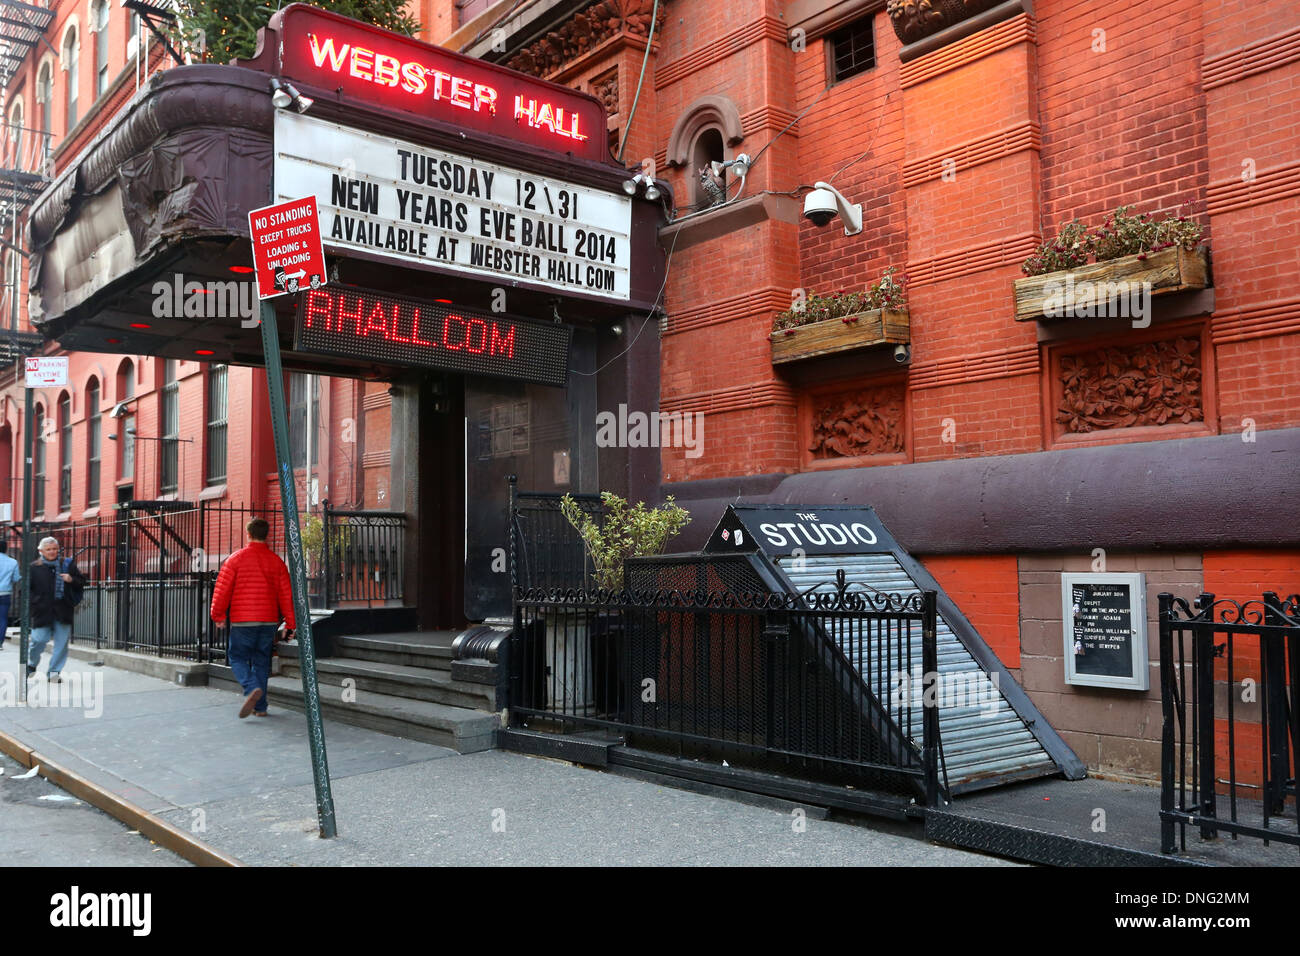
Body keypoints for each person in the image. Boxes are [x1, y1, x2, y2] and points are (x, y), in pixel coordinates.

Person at [209, 518, 295, 718]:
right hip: (268, 622)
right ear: (267, 535)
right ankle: (261, 707)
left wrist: (218, 614)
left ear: (248, 534)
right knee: (261, 662)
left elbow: (222, 590)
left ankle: (250, 688)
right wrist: (290, 623)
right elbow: (286, 595)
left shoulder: (235, 559)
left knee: (237, 657)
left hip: (243, 621)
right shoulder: (277, 562)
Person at [27, 537, 84, 683]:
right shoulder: (34, 567)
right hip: (42, 611)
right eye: (48, 549)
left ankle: (54, 672)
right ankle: (32, 663)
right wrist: (35, 603)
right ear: (41, 551)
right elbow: (25, 590)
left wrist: (71, 579)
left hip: (63, 609)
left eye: (54, 549)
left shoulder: (67, 564)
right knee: (38, 640)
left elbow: (82, 582)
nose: (52, 552)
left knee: (61, 643)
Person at [0, 539, 19, 649]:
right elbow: (16, 578)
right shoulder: (13, 562)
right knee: (2, 618)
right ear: (6, 549)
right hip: (5, 593)